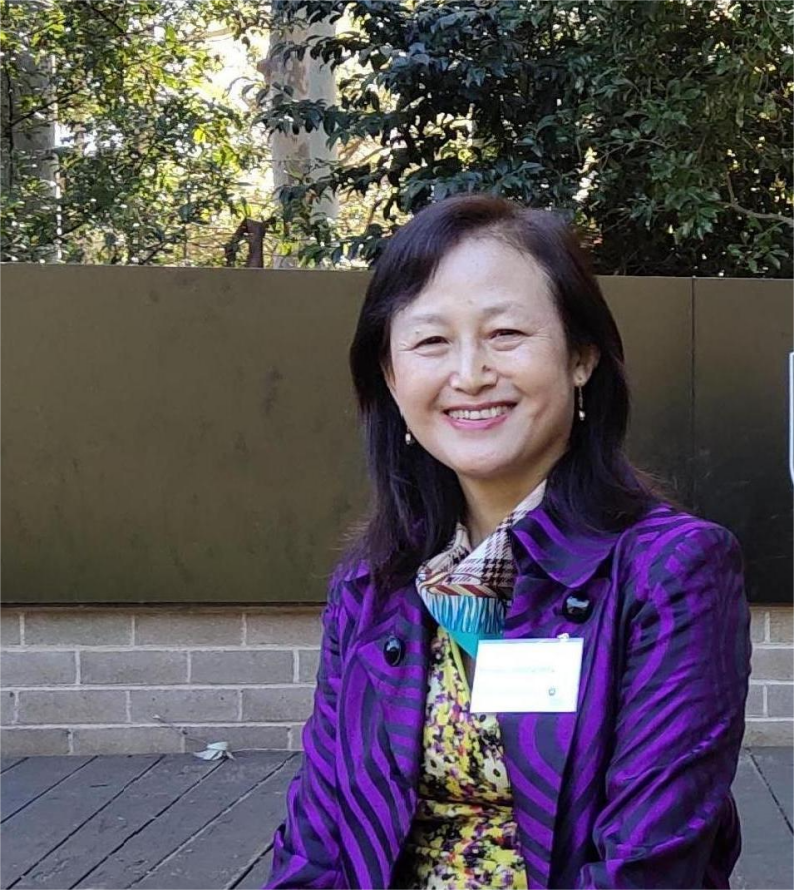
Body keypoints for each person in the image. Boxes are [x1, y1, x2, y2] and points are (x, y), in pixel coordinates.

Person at [264, 195, 751, 890]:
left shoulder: (671, 571)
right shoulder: (372, 585)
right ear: (392, 377)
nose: (469, 374)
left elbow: (648, 864)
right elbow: (318, 839)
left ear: (581, 357)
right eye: (431, 342)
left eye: (506, 333)